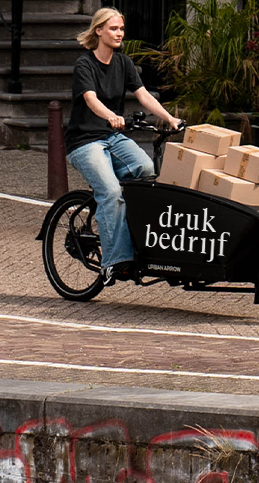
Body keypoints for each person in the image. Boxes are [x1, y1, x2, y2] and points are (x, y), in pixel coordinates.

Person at [67, 7, 181, 283]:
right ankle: (114, 262)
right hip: (85, 141)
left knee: (145, 170)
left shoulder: (124, 63)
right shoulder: (85, 64)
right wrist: (111, 116)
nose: (119, 34)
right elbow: (91, 99)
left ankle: (130, 233)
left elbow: (143, 96)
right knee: (111, 192)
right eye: (113, 29)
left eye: (121, 29)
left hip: (112, 138)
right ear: (99, 31)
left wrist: (168, 118)